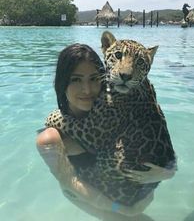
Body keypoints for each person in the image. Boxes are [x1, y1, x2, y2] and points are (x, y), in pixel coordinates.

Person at [36, 43, 175, 219]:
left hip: (132, 203)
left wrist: (166, 172)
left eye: (94, 79)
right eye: (76, 79)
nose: (87, 90)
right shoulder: (50, 139)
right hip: (101, 206)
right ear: (62, 83)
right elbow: (70, 184)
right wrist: (122, 209)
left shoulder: (118, 107)